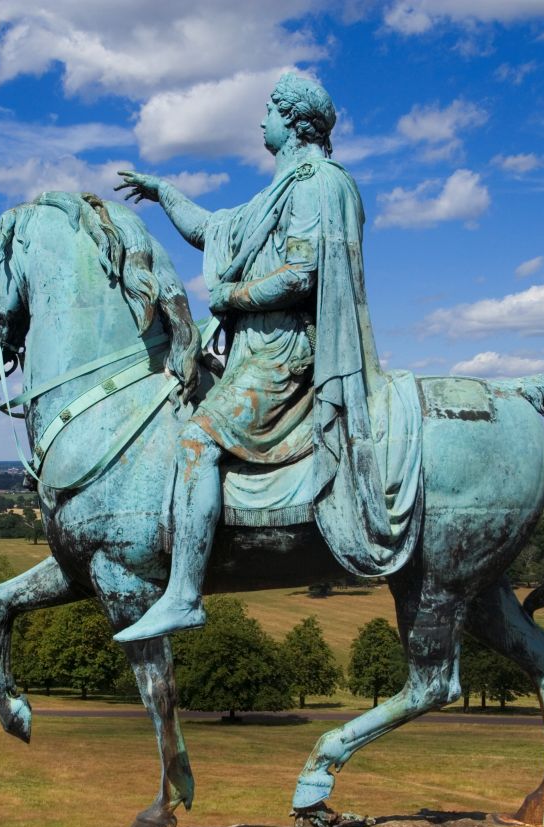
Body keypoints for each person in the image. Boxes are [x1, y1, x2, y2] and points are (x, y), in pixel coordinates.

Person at [114, 73, 404, 643]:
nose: (260, 119)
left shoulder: (317, 184)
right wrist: (162, 192)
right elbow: (213, 229)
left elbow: (303, 273)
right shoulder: (277, 192)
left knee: (196, 441)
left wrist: (230, 296)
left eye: (269, 108)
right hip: (256, 347)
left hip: (286, 352)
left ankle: (184, 594)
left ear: (296, 123)